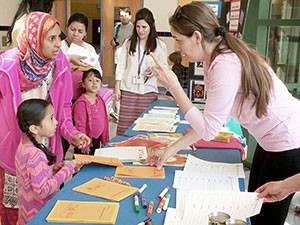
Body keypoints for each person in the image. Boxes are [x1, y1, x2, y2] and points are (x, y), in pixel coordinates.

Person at [145, 2, 300, 225]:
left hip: (287, 141)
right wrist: (171, 149)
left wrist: (174, 87)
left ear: (197, 36)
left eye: (179, 40)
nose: (177, 47)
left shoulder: (225, 63)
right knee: (253, 206)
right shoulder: (214, 59)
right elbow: (213, 120)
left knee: (264, 217)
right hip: (271, 140)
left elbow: (208, 131)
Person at [0, 12, 90, 225]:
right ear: (33, 38)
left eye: (59, 37)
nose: (59, 44)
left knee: (46, 208)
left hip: (46, 150)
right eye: (51, 38)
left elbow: (64, 109)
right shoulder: (6, 67)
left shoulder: (60, 64)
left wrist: (72, 133)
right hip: (14, 152)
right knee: (16, 211)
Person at [15, 99, 88, 225]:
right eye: (51, 118)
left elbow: (32, 177)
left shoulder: (23, 147)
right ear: (34, 128)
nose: (56, 122)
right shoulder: (35, 154)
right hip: (38, 215)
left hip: (26, 214)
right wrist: (67, 169)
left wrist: (52, 170)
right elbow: (42, 191)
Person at [115, 8, 168, 136]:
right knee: (125, 128)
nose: (140, 30)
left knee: (145, 128)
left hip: (148, 91)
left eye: (144, 27)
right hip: (128, 89)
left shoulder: (160, 46)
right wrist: (117, 86)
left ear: (151, 26)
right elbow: (121, 65)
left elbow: (164, 68)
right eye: (138, 26)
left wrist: (154, 71)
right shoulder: (128, 42)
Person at [61, 12, 103, 100]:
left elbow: (98, 72)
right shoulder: (59, 46)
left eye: (80, 31)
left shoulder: (89, 48)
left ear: (85, 33)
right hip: (63, 93)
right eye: (72, 29)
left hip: (84, 95)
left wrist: (88, 79)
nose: (75, 34)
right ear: (67, 28)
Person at [72, 69, 109, 155]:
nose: (94, 83)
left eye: (97, 80)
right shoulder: (81, 103)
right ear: (83, 84)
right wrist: (84, 144)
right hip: (85, 142)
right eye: (90, 80)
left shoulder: (100, 100)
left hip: (97, 140)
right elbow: (80, 125)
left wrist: (105, 140)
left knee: (93, 165)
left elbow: (104, 121)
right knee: (82, 165)